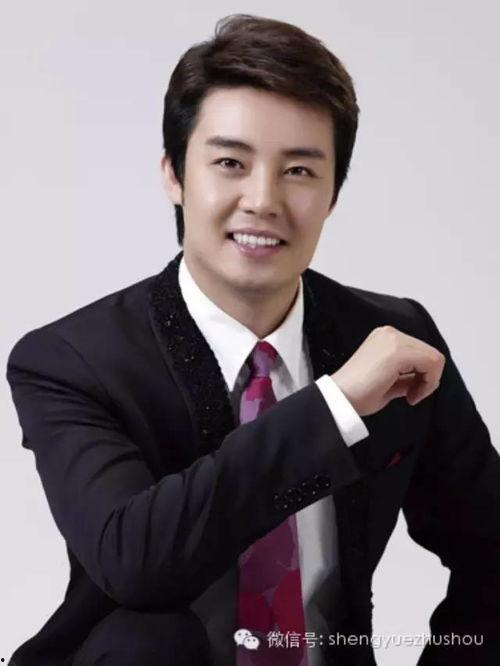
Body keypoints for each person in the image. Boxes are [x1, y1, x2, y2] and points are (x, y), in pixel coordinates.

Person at [5, 13, 500, 666]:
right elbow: (137, 562)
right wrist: (336, 406)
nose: (263, 199)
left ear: (333, 194)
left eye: (299, 171)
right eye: (230, 163)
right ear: (174, 174)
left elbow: (491, 549)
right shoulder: (70, 361)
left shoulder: (393, 341)